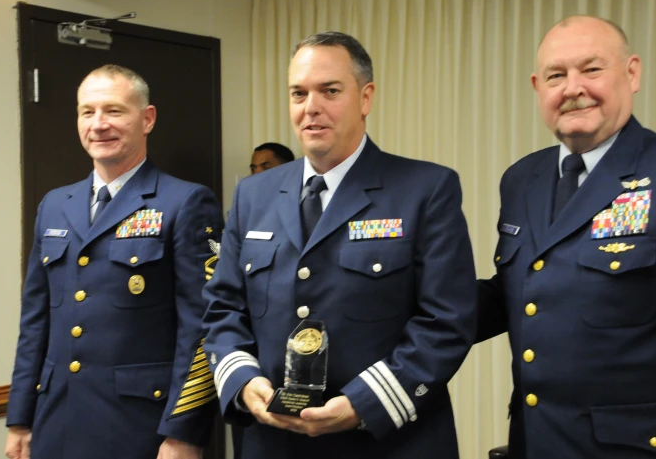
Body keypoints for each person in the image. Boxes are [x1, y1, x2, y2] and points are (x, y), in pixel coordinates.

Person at [202, 32, 477, 459]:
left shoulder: (425, 189)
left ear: (365, 98)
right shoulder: (253, 195)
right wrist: (242, 381)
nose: (311, 107)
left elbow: (447, 321)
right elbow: (223, 308)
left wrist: (362, 404)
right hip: (273, 442)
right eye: (299, 93)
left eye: (330, 91)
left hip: (387, 441)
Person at [476, 16, 656, 458]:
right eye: (557, 75)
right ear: (538, 87)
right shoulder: (523, 179)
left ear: (631, 73)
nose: (573, 87)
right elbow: (517, 295)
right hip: (536, 443)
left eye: (591, 69)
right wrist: (402, 305)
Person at [4, 65, 224, 459]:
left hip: (141, 427)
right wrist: (20, 418)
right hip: (55, 421)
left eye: (114, 111)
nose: (98, 124)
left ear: (147, 119)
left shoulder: (185, 202)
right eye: (87, 112)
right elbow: (34, 321)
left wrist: (184, 433)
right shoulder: (55, 204)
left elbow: (203, 328)